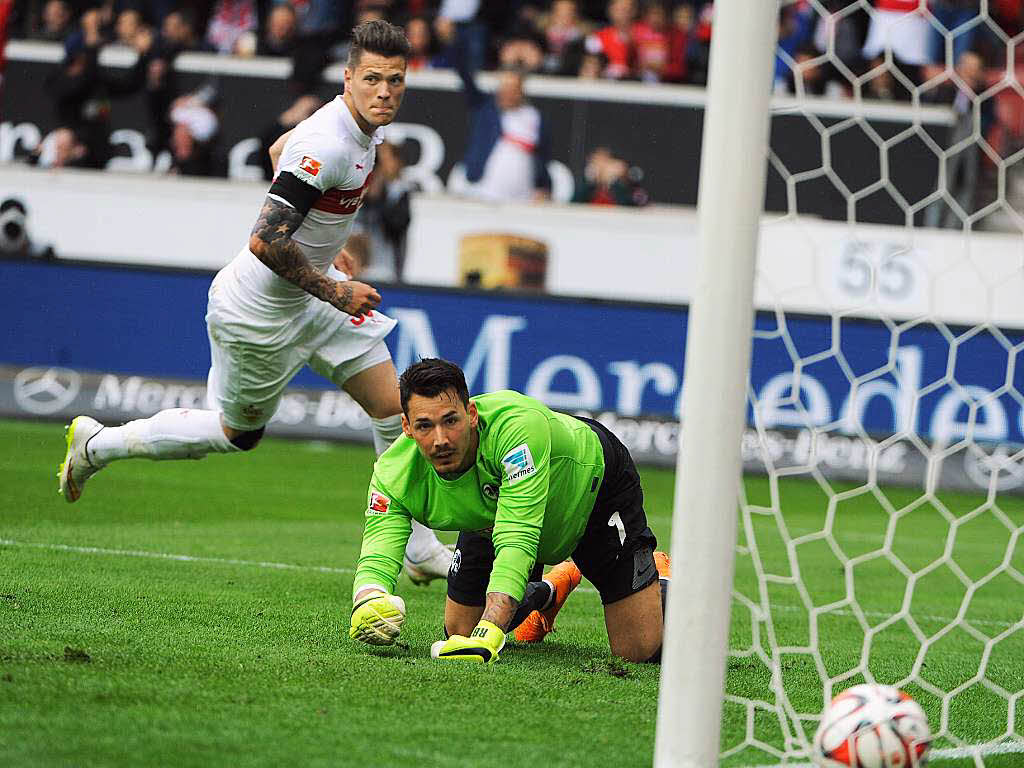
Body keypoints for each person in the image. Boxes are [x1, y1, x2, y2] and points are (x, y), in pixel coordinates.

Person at [57, 19, 452, 585]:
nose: (385, 91)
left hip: (310, 299)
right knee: (236, 434)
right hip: (257, 314)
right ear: (348, 78)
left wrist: (319, 252)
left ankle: (416, 545)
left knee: (394, 409)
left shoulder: (359, 128)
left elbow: (277, 150)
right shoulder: (329, 142)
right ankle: (99, 445)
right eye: (372, 79)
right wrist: (334, 285)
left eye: (395, 80)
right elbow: (265, 239)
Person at [348, 358, 672, 664]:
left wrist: (489, 631)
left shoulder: (518, 431)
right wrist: (369, 600)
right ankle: (550, 589)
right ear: (406, 426)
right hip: (494, 516)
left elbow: (518, 535)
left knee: (638, 650)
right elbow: (378, 551)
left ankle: (657, 576)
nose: (441, 440)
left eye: (451, 421)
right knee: (460, 630)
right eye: (424, 426)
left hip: (592, 489)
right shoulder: (392, 473)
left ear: (471, 414)